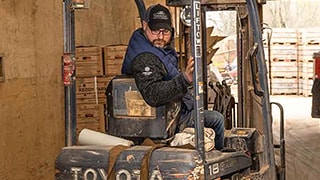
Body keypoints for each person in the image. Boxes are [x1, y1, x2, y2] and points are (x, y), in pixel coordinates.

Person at [121, 4, 225, 150]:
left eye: (165, 31)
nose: (161, 37)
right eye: (156, 31)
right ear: (145, 26)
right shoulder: (144, 58)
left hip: (171, 112)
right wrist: (184, 80)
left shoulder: (158, 50)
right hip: (163, 121)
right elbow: (153, 94)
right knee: (217, 120)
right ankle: (217, 168)